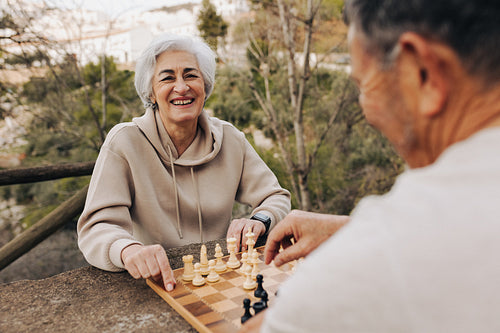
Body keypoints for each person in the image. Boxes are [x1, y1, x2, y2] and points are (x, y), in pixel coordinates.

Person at [241, 0, 500, 332]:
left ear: (421, 72)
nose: (367, 111)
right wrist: (348, 229)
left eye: (363, 85)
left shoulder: (367, 265)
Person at [77, 34, 290, 292]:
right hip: (159, 285)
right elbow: (96, 227)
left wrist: (261, 219)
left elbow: (276, 196)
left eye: (191, 75)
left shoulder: (230, 138)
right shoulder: (125, 142)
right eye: (167, 78)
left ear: (205, 85)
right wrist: (128, 249)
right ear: (151, 93)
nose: (181, 87)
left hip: (221, 278)